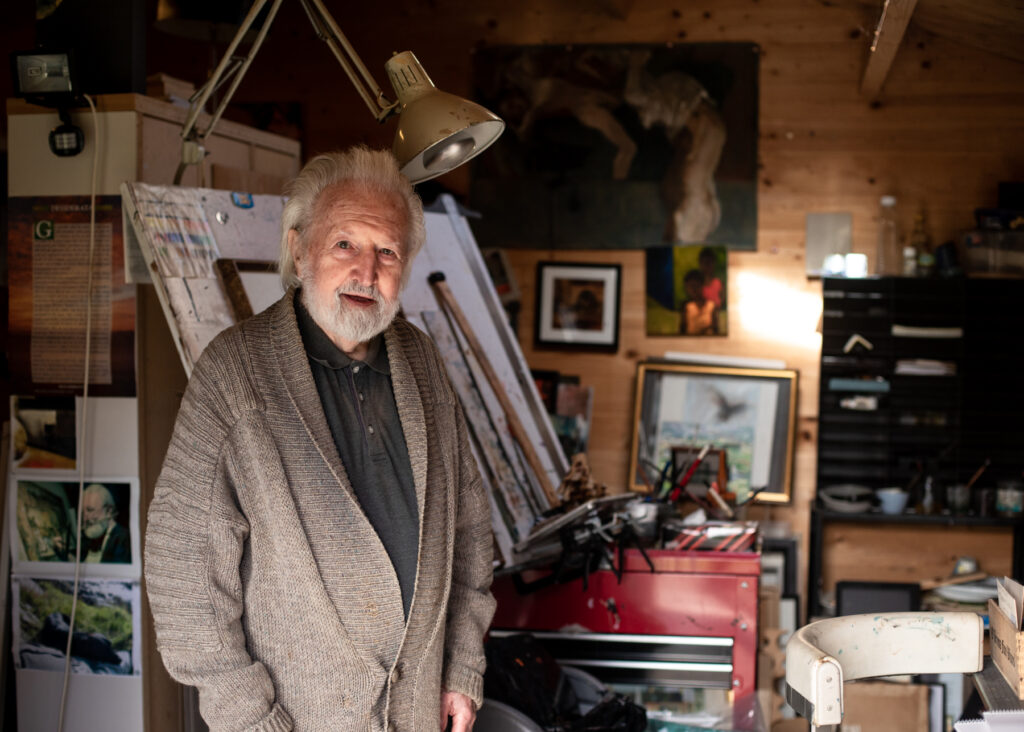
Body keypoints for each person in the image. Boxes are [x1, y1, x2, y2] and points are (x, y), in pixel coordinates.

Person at [145, 147, 496, 732]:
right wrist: (255, 722)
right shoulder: (236, 374)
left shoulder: (423, 363)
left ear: (405, 267)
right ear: (298, 249)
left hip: (418, 717)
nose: (367, 271)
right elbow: (184, 579)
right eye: (345, 244)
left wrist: (462, 666)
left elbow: (470, 531)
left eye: (387, 251)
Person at [81, 483, 130, 563]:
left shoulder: (123, 538)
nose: (85, 518)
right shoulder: (90, 537)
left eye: (90, 510)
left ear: (109, 511)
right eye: (83, 512)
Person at [682, 269, 717, 335]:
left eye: (696, 286)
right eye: (690, 286)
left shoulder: (711, 306)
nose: (693, 289)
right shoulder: (686, 307)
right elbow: (682, 331)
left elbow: (716, 330)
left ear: (702, 286)